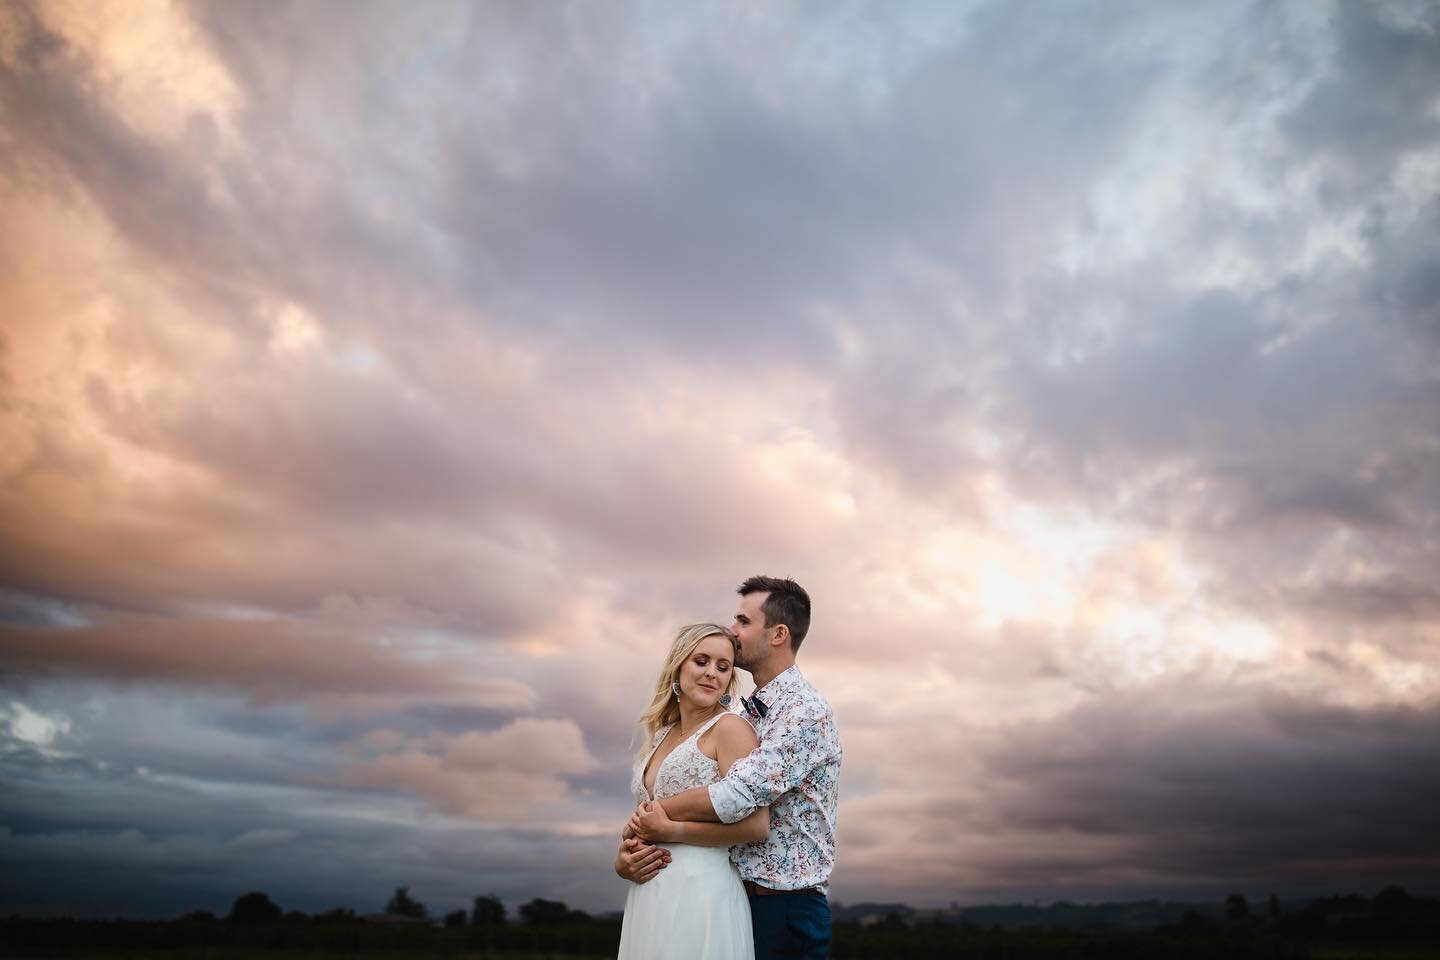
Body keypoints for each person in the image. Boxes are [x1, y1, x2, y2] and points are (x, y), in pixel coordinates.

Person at [629, 576, 841, 960]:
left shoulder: (804, 712)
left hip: (786, 905)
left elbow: (736, 795)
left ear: (778, 634)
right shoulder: (746, 712)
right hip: (735, 893)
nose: (733, 630)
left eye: (743, 621)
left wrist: (652, 817)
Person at [614, 622, 770, 960]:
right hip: (648, 895)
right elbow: (644, 819)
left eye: (723, 666)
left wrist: (674, 830)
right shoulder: (659, 736)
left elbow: (757, 826)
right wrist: (623, 862)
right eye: (702, 661)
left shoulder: (730, 729)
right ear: (678, 665)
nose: (712, 673)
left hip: (702, 890)